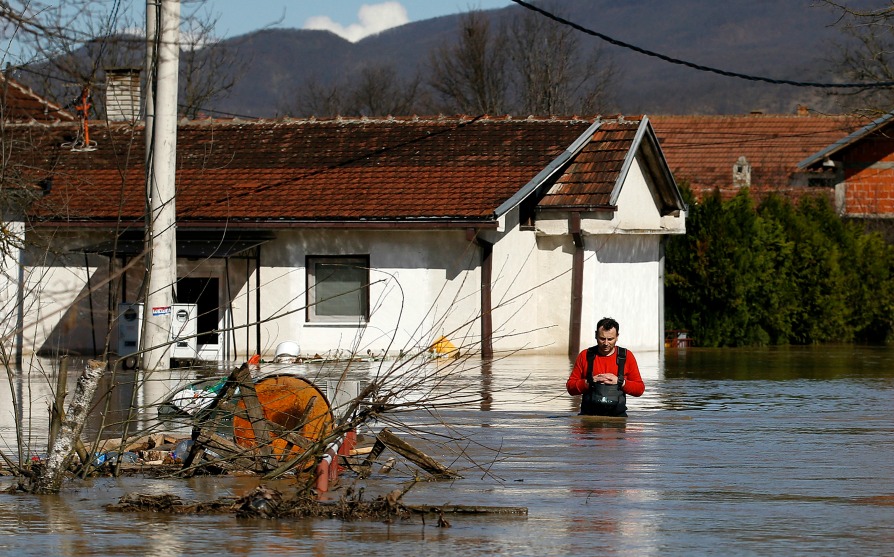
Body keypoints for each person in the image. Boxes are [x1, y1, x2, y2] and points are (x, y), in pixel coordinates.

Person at [566, 317, 645, 416]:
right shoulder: (585, 355)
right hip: (589, 417)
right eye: (602, 339)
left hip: (617, 418)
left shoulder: (627, 356)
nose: (606, 343)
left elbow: (639, 389)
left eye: (610, 339)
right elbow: (570, 387)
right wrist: (588, 382)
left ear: (617, 337)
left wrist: (620, 382)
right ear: (595, 335)